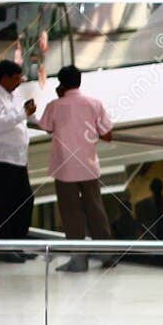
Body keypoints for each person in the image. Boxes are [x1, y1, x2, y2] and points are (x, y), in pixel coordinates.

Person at [35, 65, 114, 272]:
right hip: (89, 166)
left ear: (61, 84)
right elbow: (107, 134)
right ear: (79, 81)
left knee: (71, 214)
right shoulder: (94, 104)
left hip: (64, 168)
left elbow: (46, 127)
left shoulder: (55, 106)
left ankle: (79, 260)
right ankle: (107, 255)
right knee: (96, 210)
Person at [0, 59, 34, 262]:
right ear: (4, 77)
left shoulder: (12, 96)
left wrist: (26, 113)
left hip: (17, 159)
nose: (19, 82)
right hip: (1, 158)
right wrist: (23, 113)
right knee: (3, 205)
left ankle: (17, 244)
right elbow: (1, 124)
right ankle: (4, 249)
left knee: (23, 201)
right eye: (15, 78)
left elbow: (16, 118)